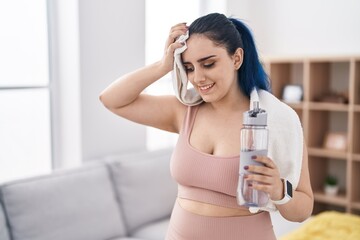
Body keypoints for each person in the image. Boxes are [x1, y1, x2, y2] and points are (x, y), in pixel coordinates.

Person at [100, 12, 313, 240]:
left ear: (236, 58)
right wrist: (162, 66)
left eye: (208, 64)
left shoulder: (275, 120)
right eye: (189, 68)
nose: (198, 78)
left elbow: (303, 209)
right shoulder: (184, 112)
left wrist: (280, 190)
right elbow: (111, 99)